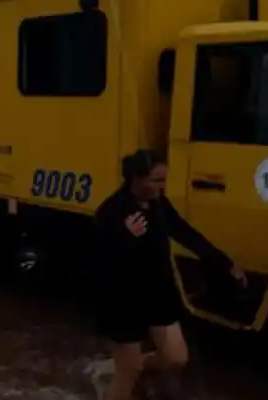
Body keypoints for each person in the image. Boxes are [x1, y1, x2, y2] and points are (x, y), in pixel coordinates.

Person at [94, 150, 246, 400]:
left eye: (164, 180)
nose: (161, 187)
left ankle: (117, 367)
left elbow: (185, 233)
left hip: (158, 295)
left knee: (176, 358)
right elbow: (101, 259)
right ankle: (123, 370)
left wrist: (223, 261)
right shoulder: (113, 210)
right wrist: (124, 236)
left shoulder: (159, 204)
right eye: (156, 181)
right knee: (128, 371)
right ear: (136, 179)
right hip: (123, 299)